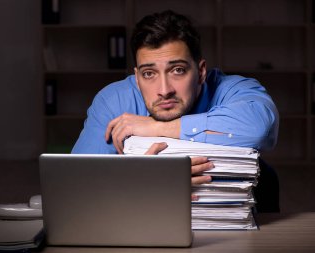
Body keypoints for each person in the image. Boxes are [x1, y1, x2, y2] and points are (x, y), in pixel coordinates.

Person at [72, 10, 280, 210]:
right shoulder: (114, 100)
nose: (164, 91)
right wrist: (138, 181)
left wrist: (156, 127)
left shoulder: (232, 88)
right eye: (149, 73)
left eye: (177, 70)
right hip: (141, 216)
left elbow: (259, 128)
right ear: (137, 77)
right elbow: (78, 182)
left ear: (200, 72)